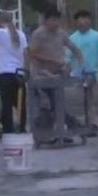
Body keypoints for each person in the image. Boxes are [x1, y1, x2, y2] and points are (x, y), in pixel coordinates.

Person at [26, 10, 79, 146]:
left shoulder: (61, 33)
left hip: (57, 75)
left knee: (59, 104)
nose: (55, 23)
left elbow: (72, 46)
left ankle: (62, 131)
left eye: (57, 20)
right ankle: (43, 135)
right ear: (46, 20)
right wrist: (52, 60)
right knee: (46, 106)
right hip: (41, 75)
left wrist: (79, 59)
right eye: (53, 20)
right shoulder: (39, 34)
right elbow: (32, 53)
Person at [68, 10, 98, 135]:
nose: (84, 21)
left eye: (86, 19)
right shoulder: (72, 38)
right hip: (78, 75)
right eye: (81, 19)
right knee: (81, 101)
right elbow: (68, 56)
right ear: (76, 21)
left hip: (96, 73)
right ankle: (87, 124)